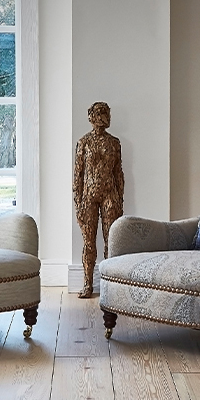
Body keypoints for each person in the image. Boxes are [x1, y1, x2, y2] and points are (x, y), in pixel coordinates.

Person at [73, 101, 124, 298]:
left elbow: (118, 173)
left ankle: (110, 284)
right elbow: (78, 175)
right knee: (89, 242)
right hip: (88, 196)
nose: (107, 117)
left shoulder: (114, 143)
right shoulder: (83, 142)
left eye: (108, 113)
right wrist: (78, 202)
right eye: (103, 113)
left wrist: (120, 198)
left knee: (111, 241)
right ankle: (88, 284)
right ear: (93, 117)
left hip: (110, 194)